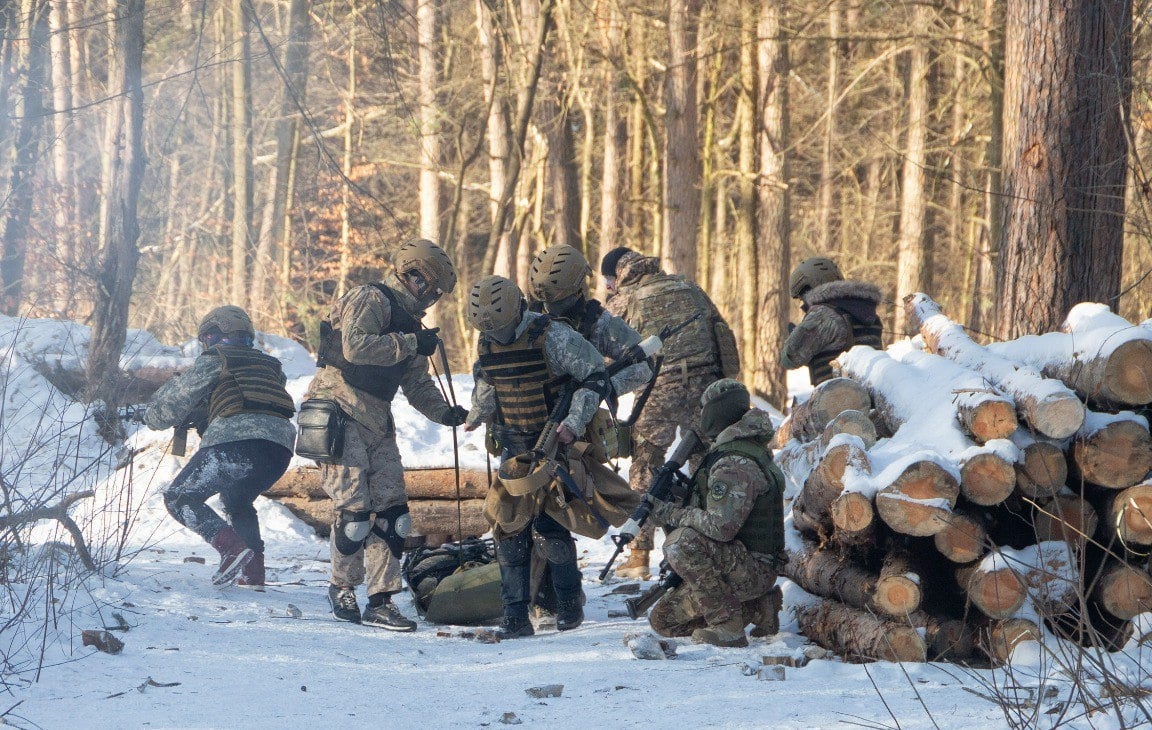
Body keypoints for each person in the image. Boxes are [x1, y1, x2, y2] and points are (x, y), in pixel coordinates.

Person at [303, 239, 468, 631]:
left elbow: (416, 384)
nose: (431, 298)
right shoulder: (370, 298)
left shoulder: (412, 325)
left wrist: (444, 412)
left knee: (394, 515)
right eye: (430, 288)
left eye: (437, 293)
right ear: (412, 275)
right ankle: (342, 586)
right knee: (355, 512)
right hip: (338, 410)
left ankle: (381, 600)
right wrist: (412, 342)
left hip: (377, 419)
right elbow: (356, 347)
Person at [464, 275, 612, 639]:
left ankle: (568, 605)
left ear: (517, 310)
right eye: (491, 331)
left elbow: (594, 377)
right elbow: (487, 383)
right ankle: (515, 614)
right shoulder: (487, 341)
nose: (498, 336)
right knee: (508, 530)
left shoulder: (553, 336)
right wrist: (476, 414)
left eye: (502, 327)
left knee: (552, 527)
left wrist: (574, 422)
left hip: (556, 443)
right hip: (514, 446)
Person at [600, 247, 739, 580]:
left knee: (645, 463)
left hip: (658, 388)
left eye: (608, 280)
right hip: (706, 384)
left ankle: (638, 556)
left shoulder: (626, 300)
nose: (607, 287)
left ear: (618, 274)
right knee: (706, 464)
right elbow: (722, 334)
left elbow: (607, 355)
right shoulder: (688, 287)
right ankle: (709, 545)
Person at [143, 305, 297, 587]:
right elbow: (246, 396)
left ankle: (232, 549)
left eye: (207, 339)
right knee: (237, 500)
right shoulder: (271, 367)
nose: (206, 345)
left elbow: (163, 413)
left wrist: (151, 409)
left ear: (214, 335)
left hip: (236, 444)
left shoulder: (215, 360)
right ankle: (253, 574)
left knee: (179, 498)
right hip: (279, 451)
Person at [645, 379, 785, 648]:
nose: (701, 416)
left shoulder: (733, 462)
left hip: (751, 569)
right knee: (663, 620)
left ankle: (728, 627)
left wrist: (672, 514)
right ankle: (759, 609)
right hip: (748, 564)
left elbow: (721, 527)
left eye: (704, 409)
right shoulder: (744, 447)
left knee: (680, 542)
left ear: (717, 412)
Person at [780, 256, 883, 386]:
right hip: (870, 395)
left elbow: (791, 358)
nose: (803, 303)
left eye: (802, 297)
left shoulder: (823, 314)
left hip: (836, 398)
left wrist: (794, 335)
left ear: (809, 287)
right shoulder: (867, 311)